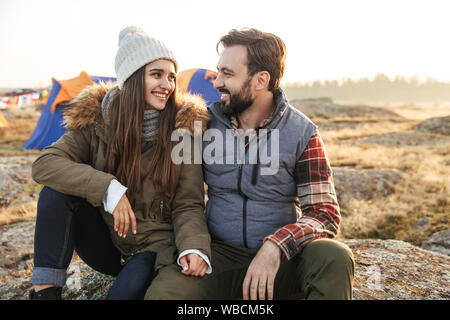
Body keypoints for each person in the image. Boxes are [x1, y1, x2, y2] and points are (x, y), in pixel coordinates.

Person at [145, 28, 354, 300]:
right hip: (217, 256)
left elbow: (324, 213)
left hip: (284, 261)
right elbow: (188, 201)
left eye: (228, 74)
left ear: (261, 80)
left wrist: (276, 245)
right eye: (218, 72)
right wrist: (195, 249)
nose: (217, 82)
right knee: (165, 292)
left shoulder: (303, 132)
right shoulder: (201, 124)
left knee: (334, 256)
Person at [29, 26, 212, 300]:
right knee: (55, 194)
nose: (168, 85)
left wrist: (195, 248)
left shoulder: (183, 131)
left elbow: (188, 203)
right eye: (156, 74)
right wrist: (108, 189)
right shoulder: (98, 122)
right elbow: (44, 164)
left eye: (171, 76)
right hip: (106, 243)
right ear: (133, 78)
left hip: (154, 247)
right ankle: (45, 293)